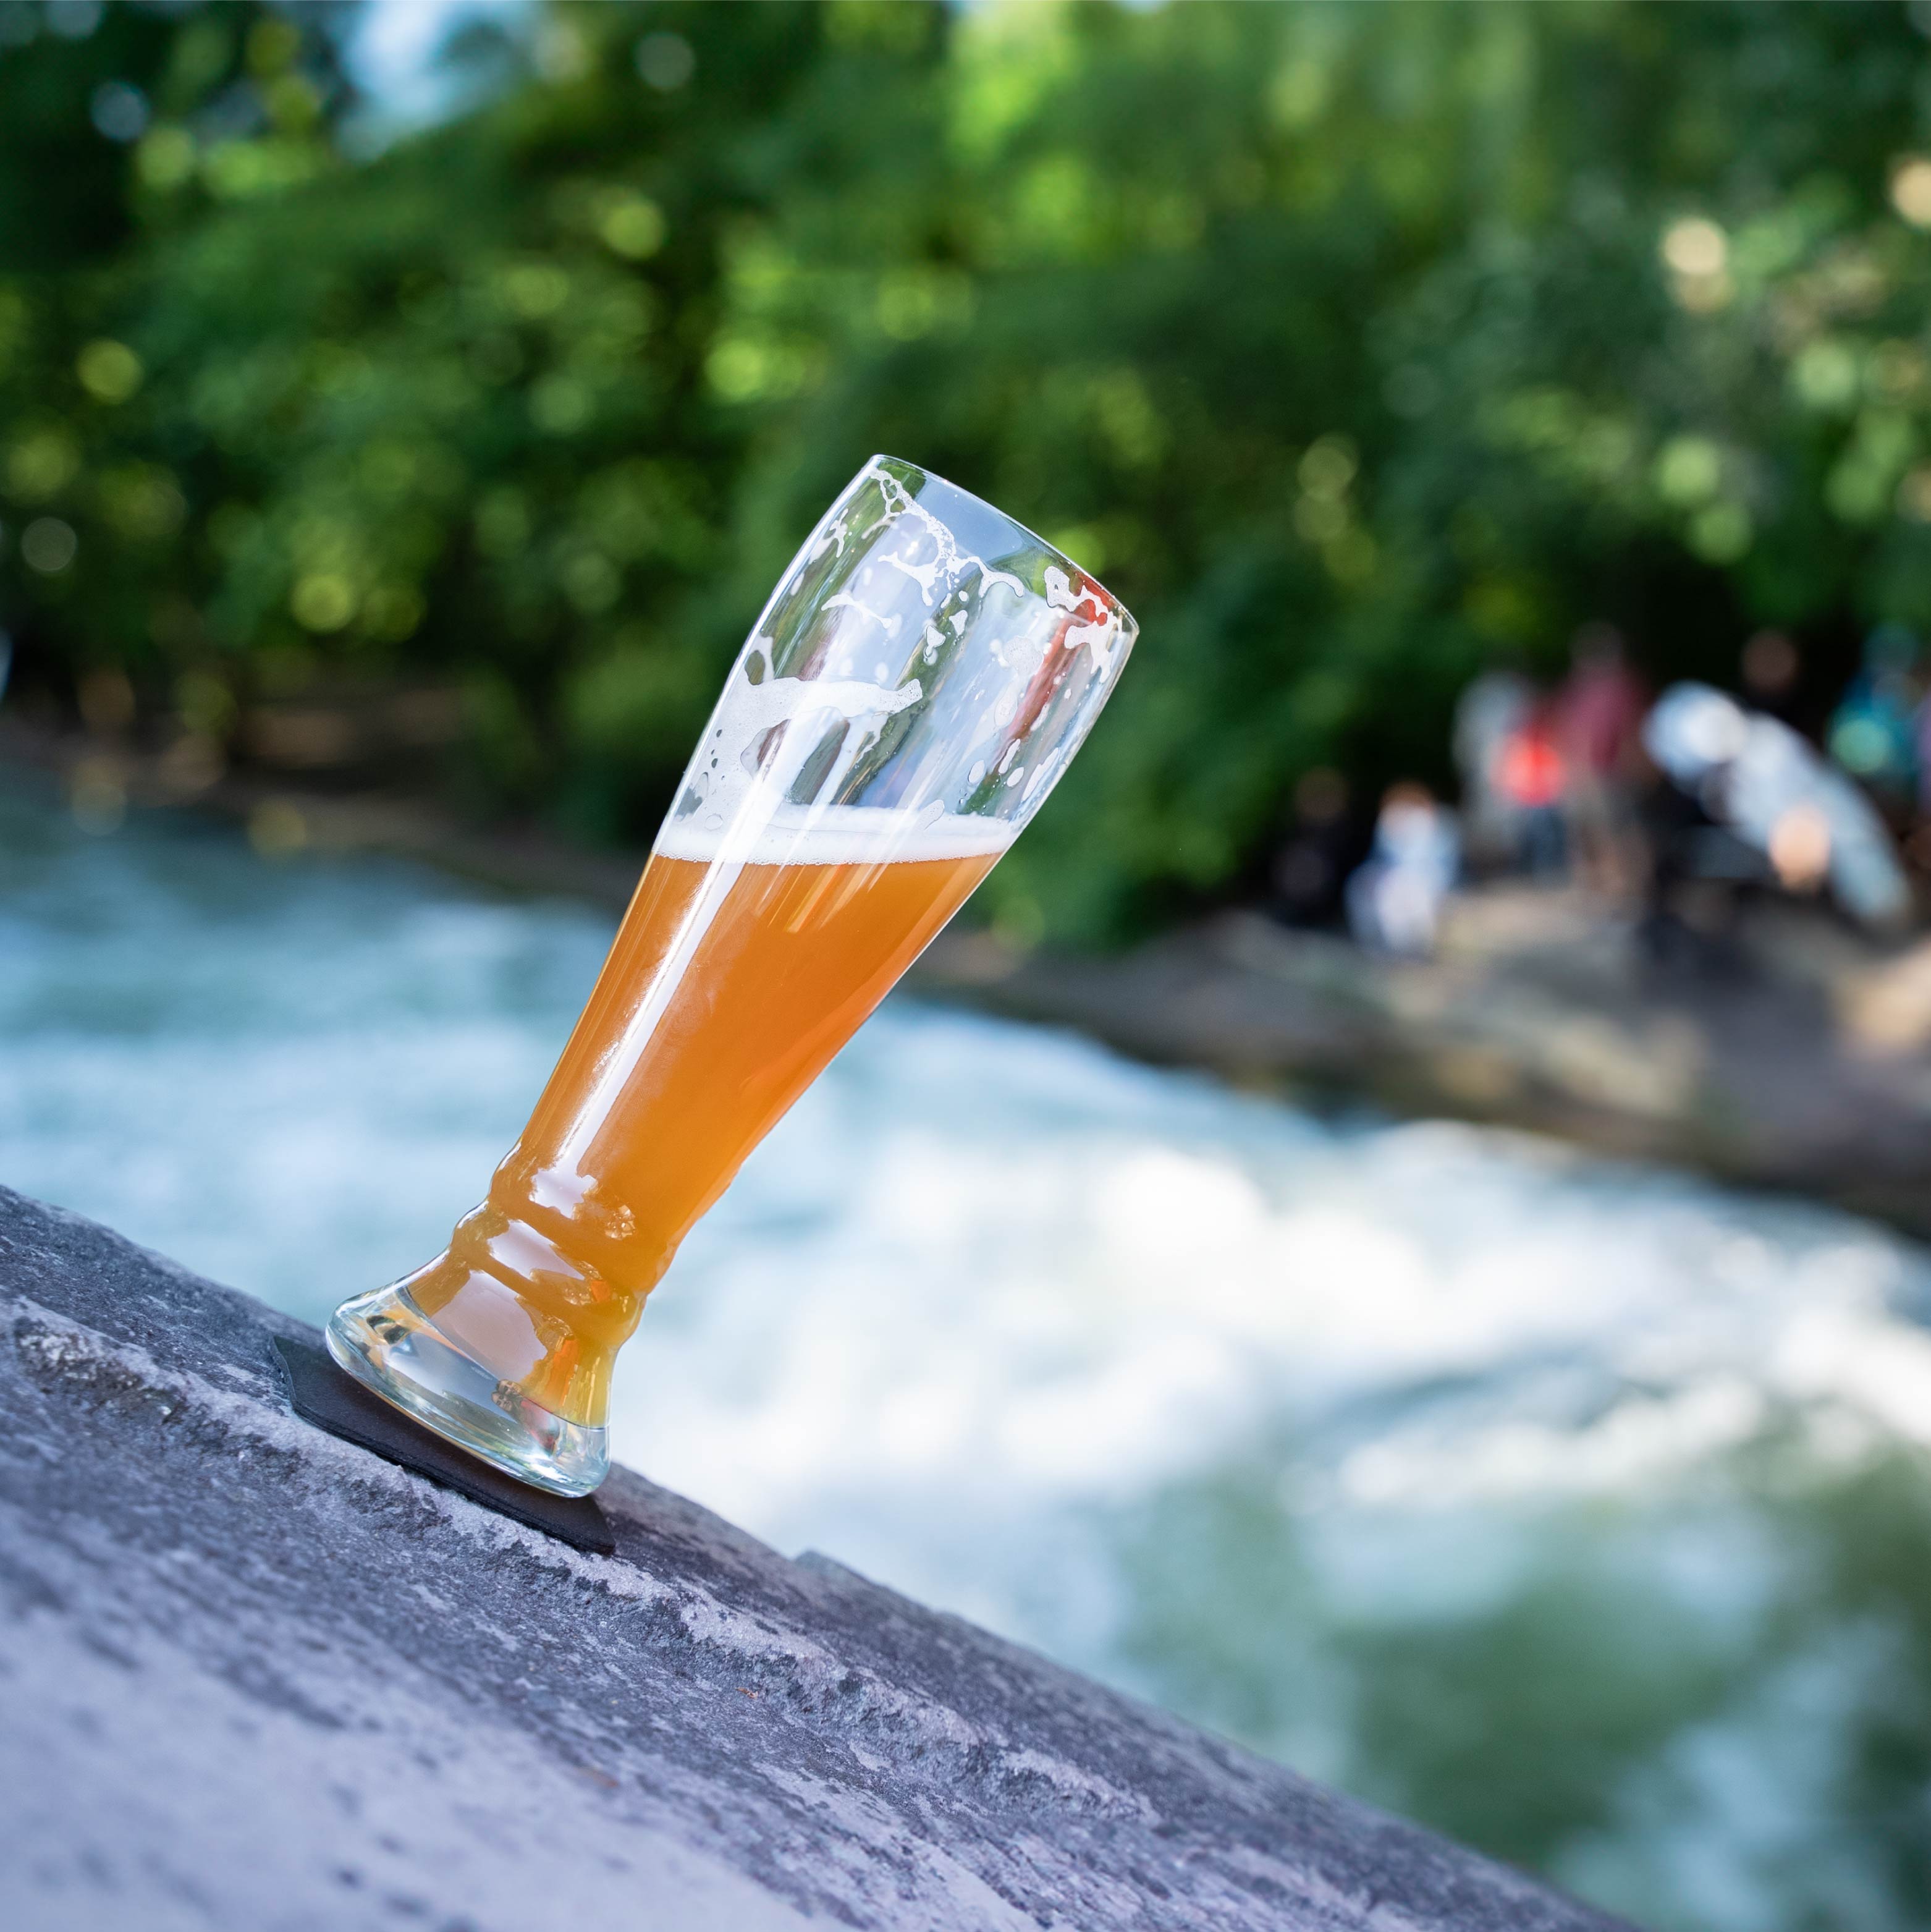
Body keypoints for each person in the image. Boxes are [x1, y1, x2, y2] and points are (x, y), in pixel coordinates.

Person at [1645, 681, 1911, 932]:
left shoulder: (1766, 746)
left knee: (1881, 903)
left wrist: (1798, 848)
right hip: (1806, 874)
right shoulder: (1719, 783)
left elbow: (1804, 812)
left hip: (1841, 848)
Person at [1555, 624, 1647, 897]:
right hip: (1581, 775)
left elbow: (1633, 731)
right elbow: (1565, 729)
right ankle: (1595, 892)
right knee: (1585, 837)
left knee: (1617, 836)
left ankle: (1623, 891)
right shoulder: (1577, 690)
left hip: (1613, 776)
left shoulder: (1624, 687)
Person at [1346, 781, 1461, 957]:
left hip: (1426, 879)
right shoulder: (1390, 822)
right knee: (1362, 883)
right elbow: (1380, 857)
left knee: (1396, 895)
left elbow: (1440, 862)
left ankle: (1407, 950)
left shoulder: (1439, 823)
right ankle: (1376, 945)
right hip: (1393, 876)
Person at [1452, 664, 1533, 871]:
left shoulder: (1498, 694)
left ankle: (1503, 866)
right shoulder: (1494, 695)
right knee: (1490, 819)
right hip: (1490, 767)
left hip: (1506, 767)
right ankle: (1489, 867)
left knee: (1505, 819)